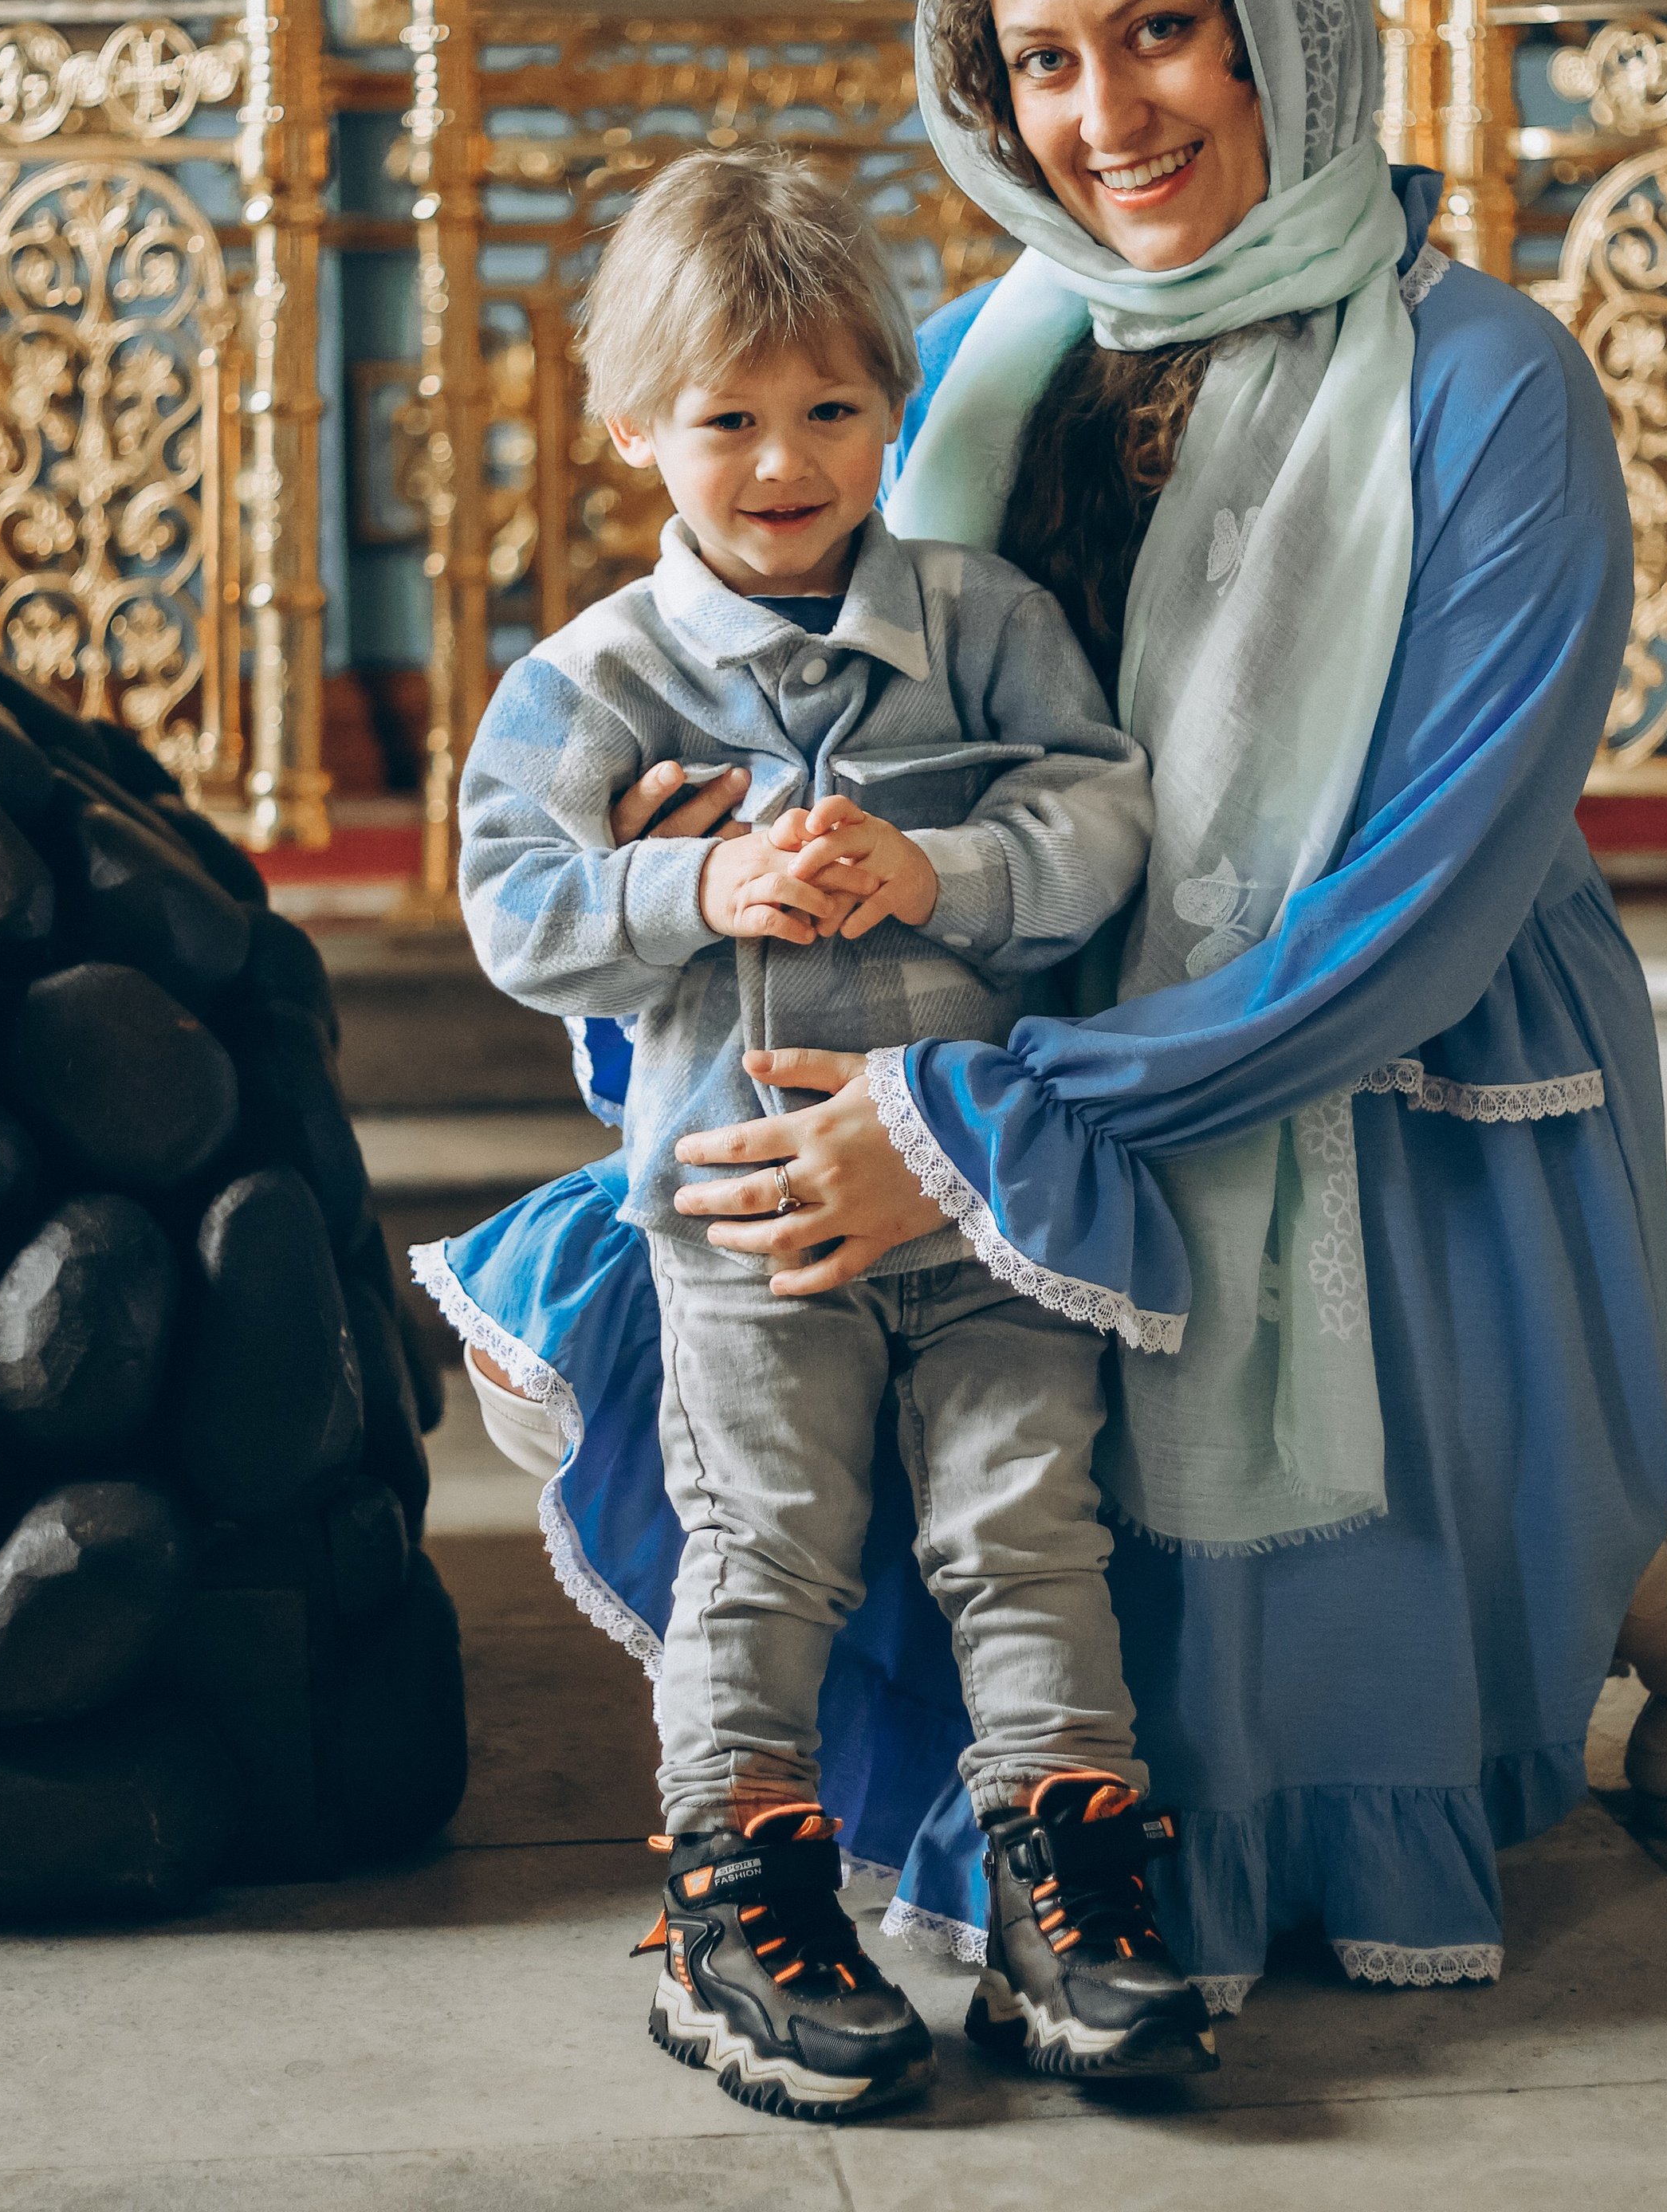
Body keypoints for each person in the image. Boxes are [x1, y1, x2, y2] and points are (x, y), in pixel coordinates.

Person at [426, 0, 1667, 2016]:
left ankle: (1656, 1500)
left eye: (1164, 27)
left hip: (1391, 1049)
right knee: (699, 1339)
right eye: (1045, 61)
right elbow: (855, 710)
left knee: (1250, 1679)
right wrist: (704, 834)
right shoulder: (991, 353)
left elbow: (1415, 921)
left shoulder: (1491, 391)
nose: (1107, 114)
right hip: (1016, 1014)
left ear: (1283, 21)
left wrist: (972, 1138)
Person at [443, 147, 1216, 2118]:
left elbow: (1102, 820)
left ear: (892, 404)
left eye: (828, 409)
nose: (780, 460)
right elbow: (511, 906)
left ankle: (1069, 1887)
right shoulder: (584, 682)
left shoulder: (978, 619)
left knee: (1026, 1524)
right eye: (725, 418)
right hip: (742, 1220)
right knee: (770, 1536)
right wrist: (692, 897)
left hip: (976, 1187)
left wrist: (937, 867)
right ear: (635, 428)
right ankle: (737, 1892)